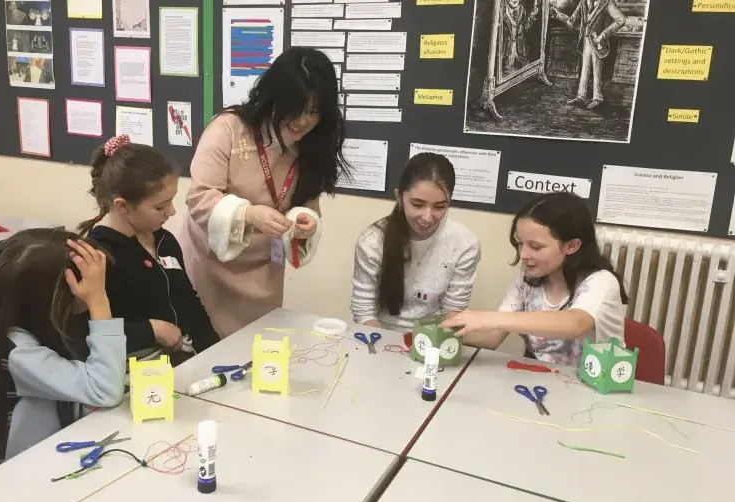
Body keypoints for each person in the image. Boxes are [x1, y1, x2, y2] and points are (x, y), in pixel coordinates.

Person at [178, 47, 348, 338]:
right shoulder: (229, 129)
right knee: (202, 350)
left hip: (263, 275)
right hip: (208, 267)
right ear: (272, 96)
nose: (302, 121)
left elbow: (308, 206)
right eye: (294, 107)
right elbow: (200, 197)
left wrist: (305, 222)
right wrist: (249, 215)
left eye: (314, 111)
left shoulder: (313, 145)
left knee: (256, 352)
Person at [0, 230, 126, 483]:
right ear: (54, 300)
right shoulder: (14, 353)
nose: (90, 294)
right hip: (3, 478)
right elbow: (105, 389)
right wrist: (98, 302)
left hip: (34, 450)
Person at [440, 192, 628, 367]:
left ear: (571, 246)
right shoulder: (527, 280)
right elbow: (492, 337)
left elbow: (575, 324)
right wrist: (439, 331)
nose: (523, 255)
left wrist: (489, 318)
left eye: (536, 247)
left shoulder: (601, 282)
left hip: (598, 389)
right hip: (547, 383)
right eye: (520, 243)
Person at [78, 135, 219, 360]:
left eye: (171, 201)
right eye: (160, 206)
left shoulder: (166, 242)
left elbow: (188, 301)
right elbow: (82, 333)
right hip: (132, 371)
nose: (171, 212)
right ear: (123, 206)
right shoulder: (95, 257)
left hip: (180, 361)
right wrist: (151, 330)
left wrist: (214, 352)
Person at [351, 153, 481, 332]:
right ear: (399, 197)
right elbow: (363, 311)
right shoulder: (372, 241)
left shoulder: (465, 244)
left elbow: (453, 313)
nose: (427, 217)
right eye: (418, 204)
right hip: (381, 335)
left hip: (435, 336)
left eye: (440, 206)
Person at [552, 0, 626, 109]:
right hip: (585, 39)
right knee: (585, 68)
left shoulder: (607, 2)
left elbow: (621, 20)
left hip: (598, 41)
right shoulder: (583, 2)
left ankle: (597, 97)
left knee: (596, 69)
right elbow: (572, 22)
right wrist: (557, 15)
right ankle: (581, 95)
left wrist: (603, 35)